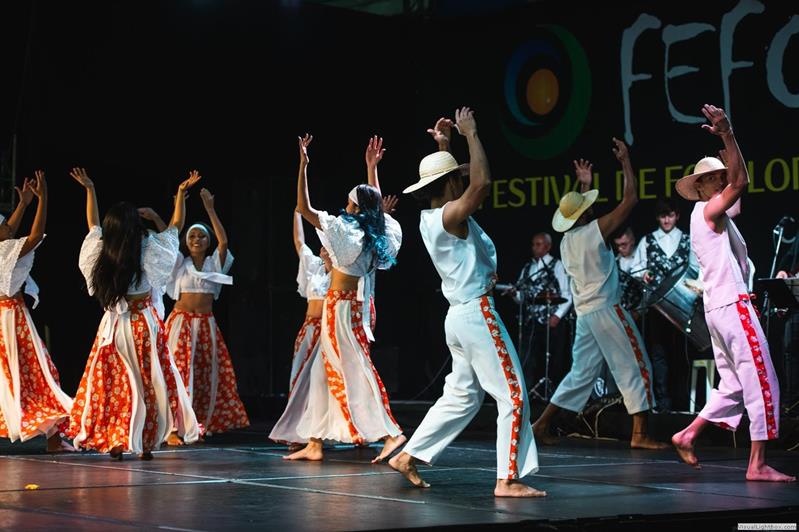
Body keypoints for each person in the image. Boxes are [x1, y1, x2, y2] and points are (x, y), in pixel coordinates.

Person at [390, 108, 545, 498]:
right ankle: (507, 479)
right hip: (476, 314)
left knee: (463, 396)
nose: (463, 179)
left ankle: (409, 454)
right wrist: (471, 134)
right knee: (513, 394)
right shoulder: (450, 216)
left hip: (459, 317)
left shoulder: (433, 217)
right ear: (452, 182)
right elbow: (482, 184)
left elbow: (462, 190)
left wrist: (445, 146)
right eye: (457, 176)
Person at [671, 104, 795, 481]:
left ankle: (687, 434)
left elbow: (739, 186)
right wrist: (727, 133)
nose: (721, 181)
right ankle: (757, 464)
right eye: (714, 178)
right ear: (701, 187)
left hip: (718, 309)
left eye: (721, 176)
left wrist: (729, 155)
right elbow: (739, 184)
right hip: (731, 306)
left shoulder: (713, 216)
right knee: (762, 377)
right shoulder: (707, 211)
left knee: (736, 384)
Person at [532, 141, 666, 450]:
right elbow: (630, 199)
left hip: (585, 315)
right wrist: (626, 161)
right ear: (586, 212)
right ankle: (640, 434)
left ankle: (541, 424)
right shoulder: (595, 231)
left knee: (580, 374)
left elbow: (578, 212)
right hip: (607, 311)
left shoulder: (565, 242)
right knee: (637, 365)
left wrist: (583, 185)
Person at [68, 167, 201, 460]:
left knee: (116, 382)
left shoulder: (103, 252)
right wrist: (180, 194)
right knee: (147, 383)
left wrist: (90, 189)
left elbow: (92, 225)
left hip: (114, 325)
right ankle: (145, 441)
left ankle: (118, 439)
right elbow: (175, 227)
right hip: (143, 323)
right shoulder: (148, 248)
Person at [286, 134, 405, 462]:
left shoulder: (346, 230)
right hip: (350, 305)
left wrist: (303, 165)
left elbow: (303, 208)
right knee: (320, 372)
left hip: (343, 306)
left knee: (354, 367)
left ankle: (390, 433)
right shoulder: (377, 231)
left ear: (354, 206)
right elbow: (374, 204)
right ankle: (314, 442)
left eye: (350, 202)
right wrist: (371, 168)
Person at [163, 187, 250, 442]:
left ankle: (195, 426)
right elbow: (171, 237)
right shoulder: (180, 264)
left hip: (205, 326)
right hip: (180, 324)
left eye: (201, 236)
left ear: (207, 241)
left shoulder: (214, 264)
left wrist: (210, 208)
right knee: (177, 374)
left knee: (203, 377)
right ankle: (172, 428)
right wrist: (178, 204)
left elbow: (224, 242)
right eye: (192, 236)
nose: (196, 240)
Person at [0, 171, 74, 452]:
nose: (9, 227)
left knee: (16, 377)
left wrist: (23, 204)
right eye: (4, 226)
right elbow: (37, 235)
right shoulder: (5, 252)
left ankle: (53, 437)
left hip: (7, 315)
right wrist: (43, 200)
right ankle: (53, 438)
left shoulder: (4, 248)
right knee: (37, 373)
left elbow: (8, 229)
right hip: (11, 318)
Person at [268, 210, 331, 450]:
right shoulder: (313, 267)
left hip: (328, 329)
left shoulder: (342, 271)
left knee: (322, 382)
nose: (324, 249)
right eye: (322, 245)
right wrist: (297, 212)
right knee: (299, 378)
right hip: (309, 329)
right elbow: (299, 242)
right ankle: (297, 432)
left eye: (328, 246)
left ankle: (321, 433)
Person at [630, 198, 696, 412]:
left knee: (680, 354)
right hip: (657, 308)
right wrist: (643, 275)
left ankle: (682, 401)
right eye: (662, 216)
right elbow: (636, 269)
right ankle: (663, 401)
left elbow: (696, 269)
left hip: (682, 307)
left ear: (677, 216)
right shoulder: (647, 241)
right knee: (658, 354)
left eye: (670, 215)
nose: (666, 220)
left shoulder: (687, 240)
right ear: (657, 218)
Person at [504, 232, 572, 393]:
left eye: (538, 244)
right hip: (531, 320)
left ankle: (553, 394)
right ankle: (527, 392)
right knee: (528, 357)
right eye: (533, 244)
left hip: (551, 319)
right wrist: (514, 295)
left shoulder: (557, 265)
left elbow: (567, 294)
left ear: (548, 247)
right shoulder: (528, 268)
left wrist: (557, 315)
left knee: (553, 359)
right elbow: (522, 298)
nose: (534, 248)